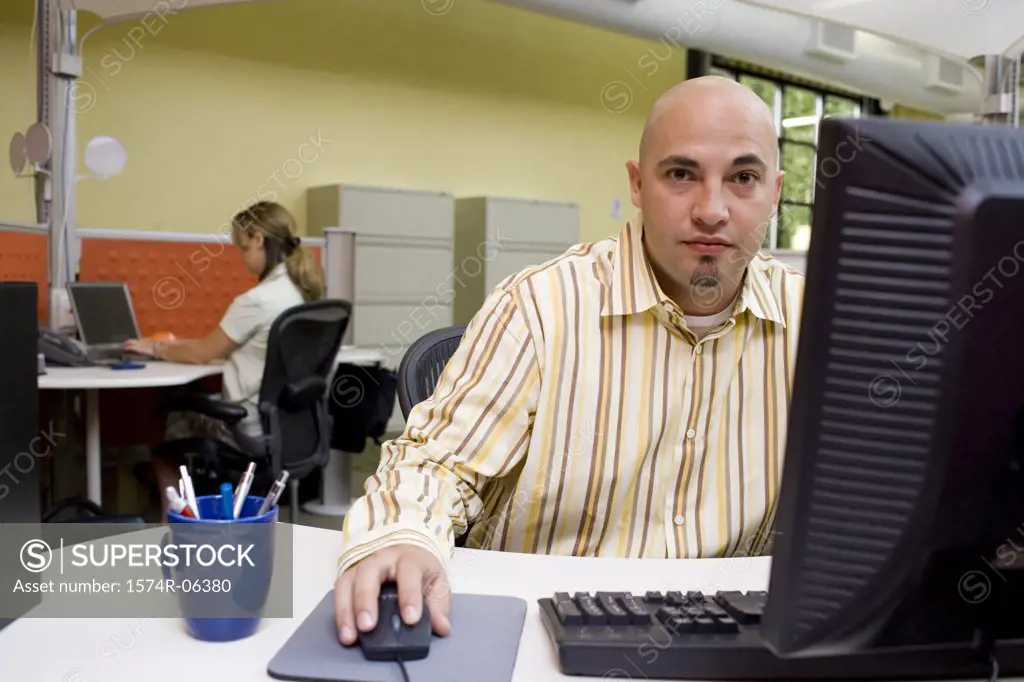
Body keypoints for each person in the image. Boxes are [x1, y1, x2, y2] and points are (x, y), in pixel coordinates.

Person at [333, 76, 805, 646]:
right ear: (637, 183)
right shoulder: (539, 307)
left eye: (743, 178)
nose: (711, 209)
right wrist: (403, 537)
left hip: (735, 638)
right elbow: (437, 465)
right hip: (545, 633)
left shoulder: (817, 320)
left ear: (775, 192)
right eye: (681, 174)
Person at [123, 201, 324, 518]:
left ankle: (172, 527)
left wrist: (155, 348)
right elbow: (226, 345)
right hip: (289, 426)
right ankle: (207, 508)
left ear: (258, 239)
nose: (243, 260)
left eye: (242, 249)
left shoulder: (258, 299)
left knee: (168, 429)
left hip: (248, 427)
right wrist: (183, 345)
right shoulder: (298, 293)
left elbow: (203, 353)